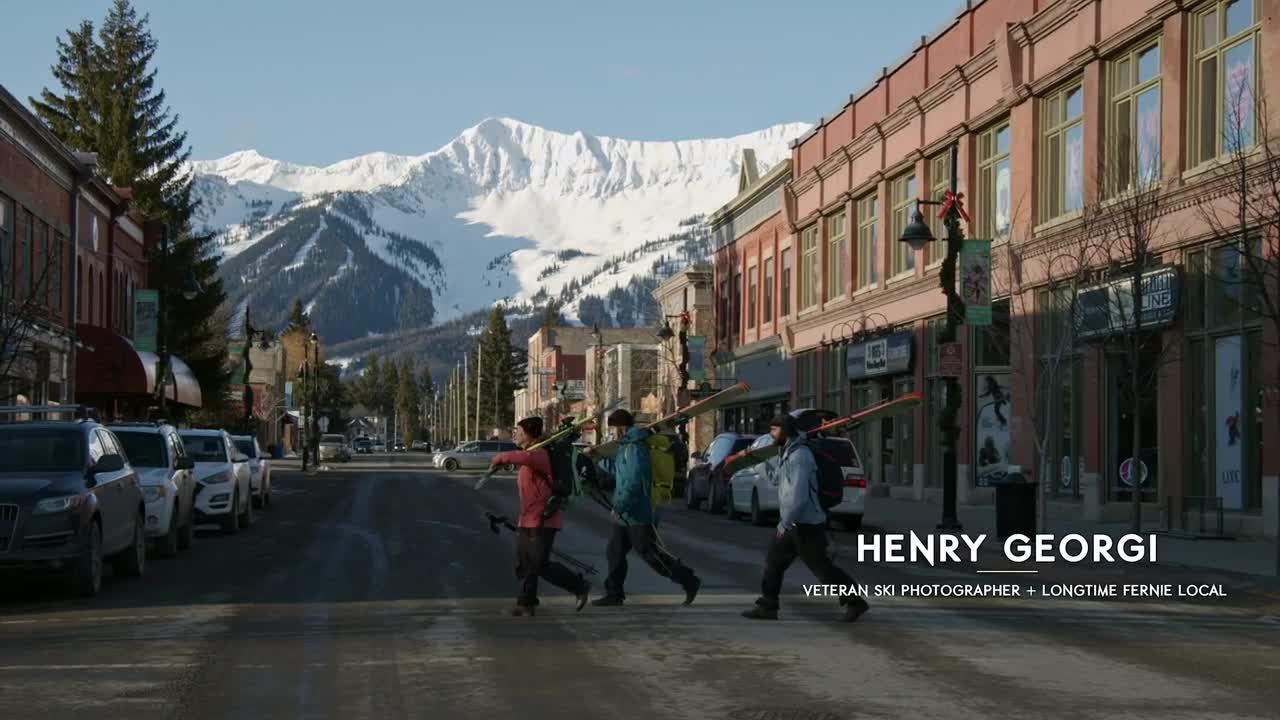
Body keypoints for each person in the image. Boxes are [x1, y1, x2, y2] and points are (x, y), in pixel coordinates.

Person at [742, 414, 869, 622]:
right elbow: (776, 480)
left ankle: (856, 601)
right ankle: (767, 606)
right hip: (793, 523)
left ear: (785, 431)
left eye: (774, 430)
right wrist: (763, 462)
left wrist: (785, 522)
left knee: (822, 569)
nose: (771, 434)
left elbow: (799, 495)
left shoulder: (801, 456)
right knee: (773, 563)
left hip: (806, 523)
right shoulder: (787, 453)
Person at [591, 409, 701, 607]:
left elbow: (634, 481)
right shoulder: (626, 446)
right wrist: (597, 458)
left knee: (651, 554)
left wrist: (620, 505)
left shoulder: (636, 448)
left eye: (613, 429)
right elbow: (618, 471)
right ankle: (614, 593)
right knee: (614, 552)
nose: (612, 433)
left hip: (639, 511)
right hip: (626, 512)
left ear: (621, 428)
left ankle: (688, 580)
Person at [490, 416, 591, 617]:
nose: (515, 435)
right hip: (527, 519)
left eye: (518, 431)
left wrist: (499, 459)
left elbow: (521, 458)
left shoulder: (539, 454)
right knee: (524, 563)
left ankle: (579, 586)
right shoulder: (531, 452)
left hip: (544, 519)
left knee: (538, 564)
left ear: (528, 434)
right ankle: (526, 602)